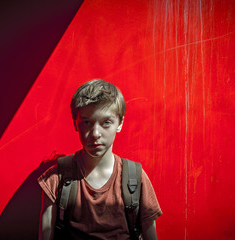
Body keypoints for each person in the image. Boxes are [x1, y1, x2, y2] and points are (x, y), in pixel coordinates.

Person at [38, 79, 162, 240]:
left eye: (106, 123)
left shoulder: (135, 178)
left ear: (120, 123)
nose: (95, 133)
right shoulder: (56, 179)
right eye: (87, 122)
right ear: (75, 123)